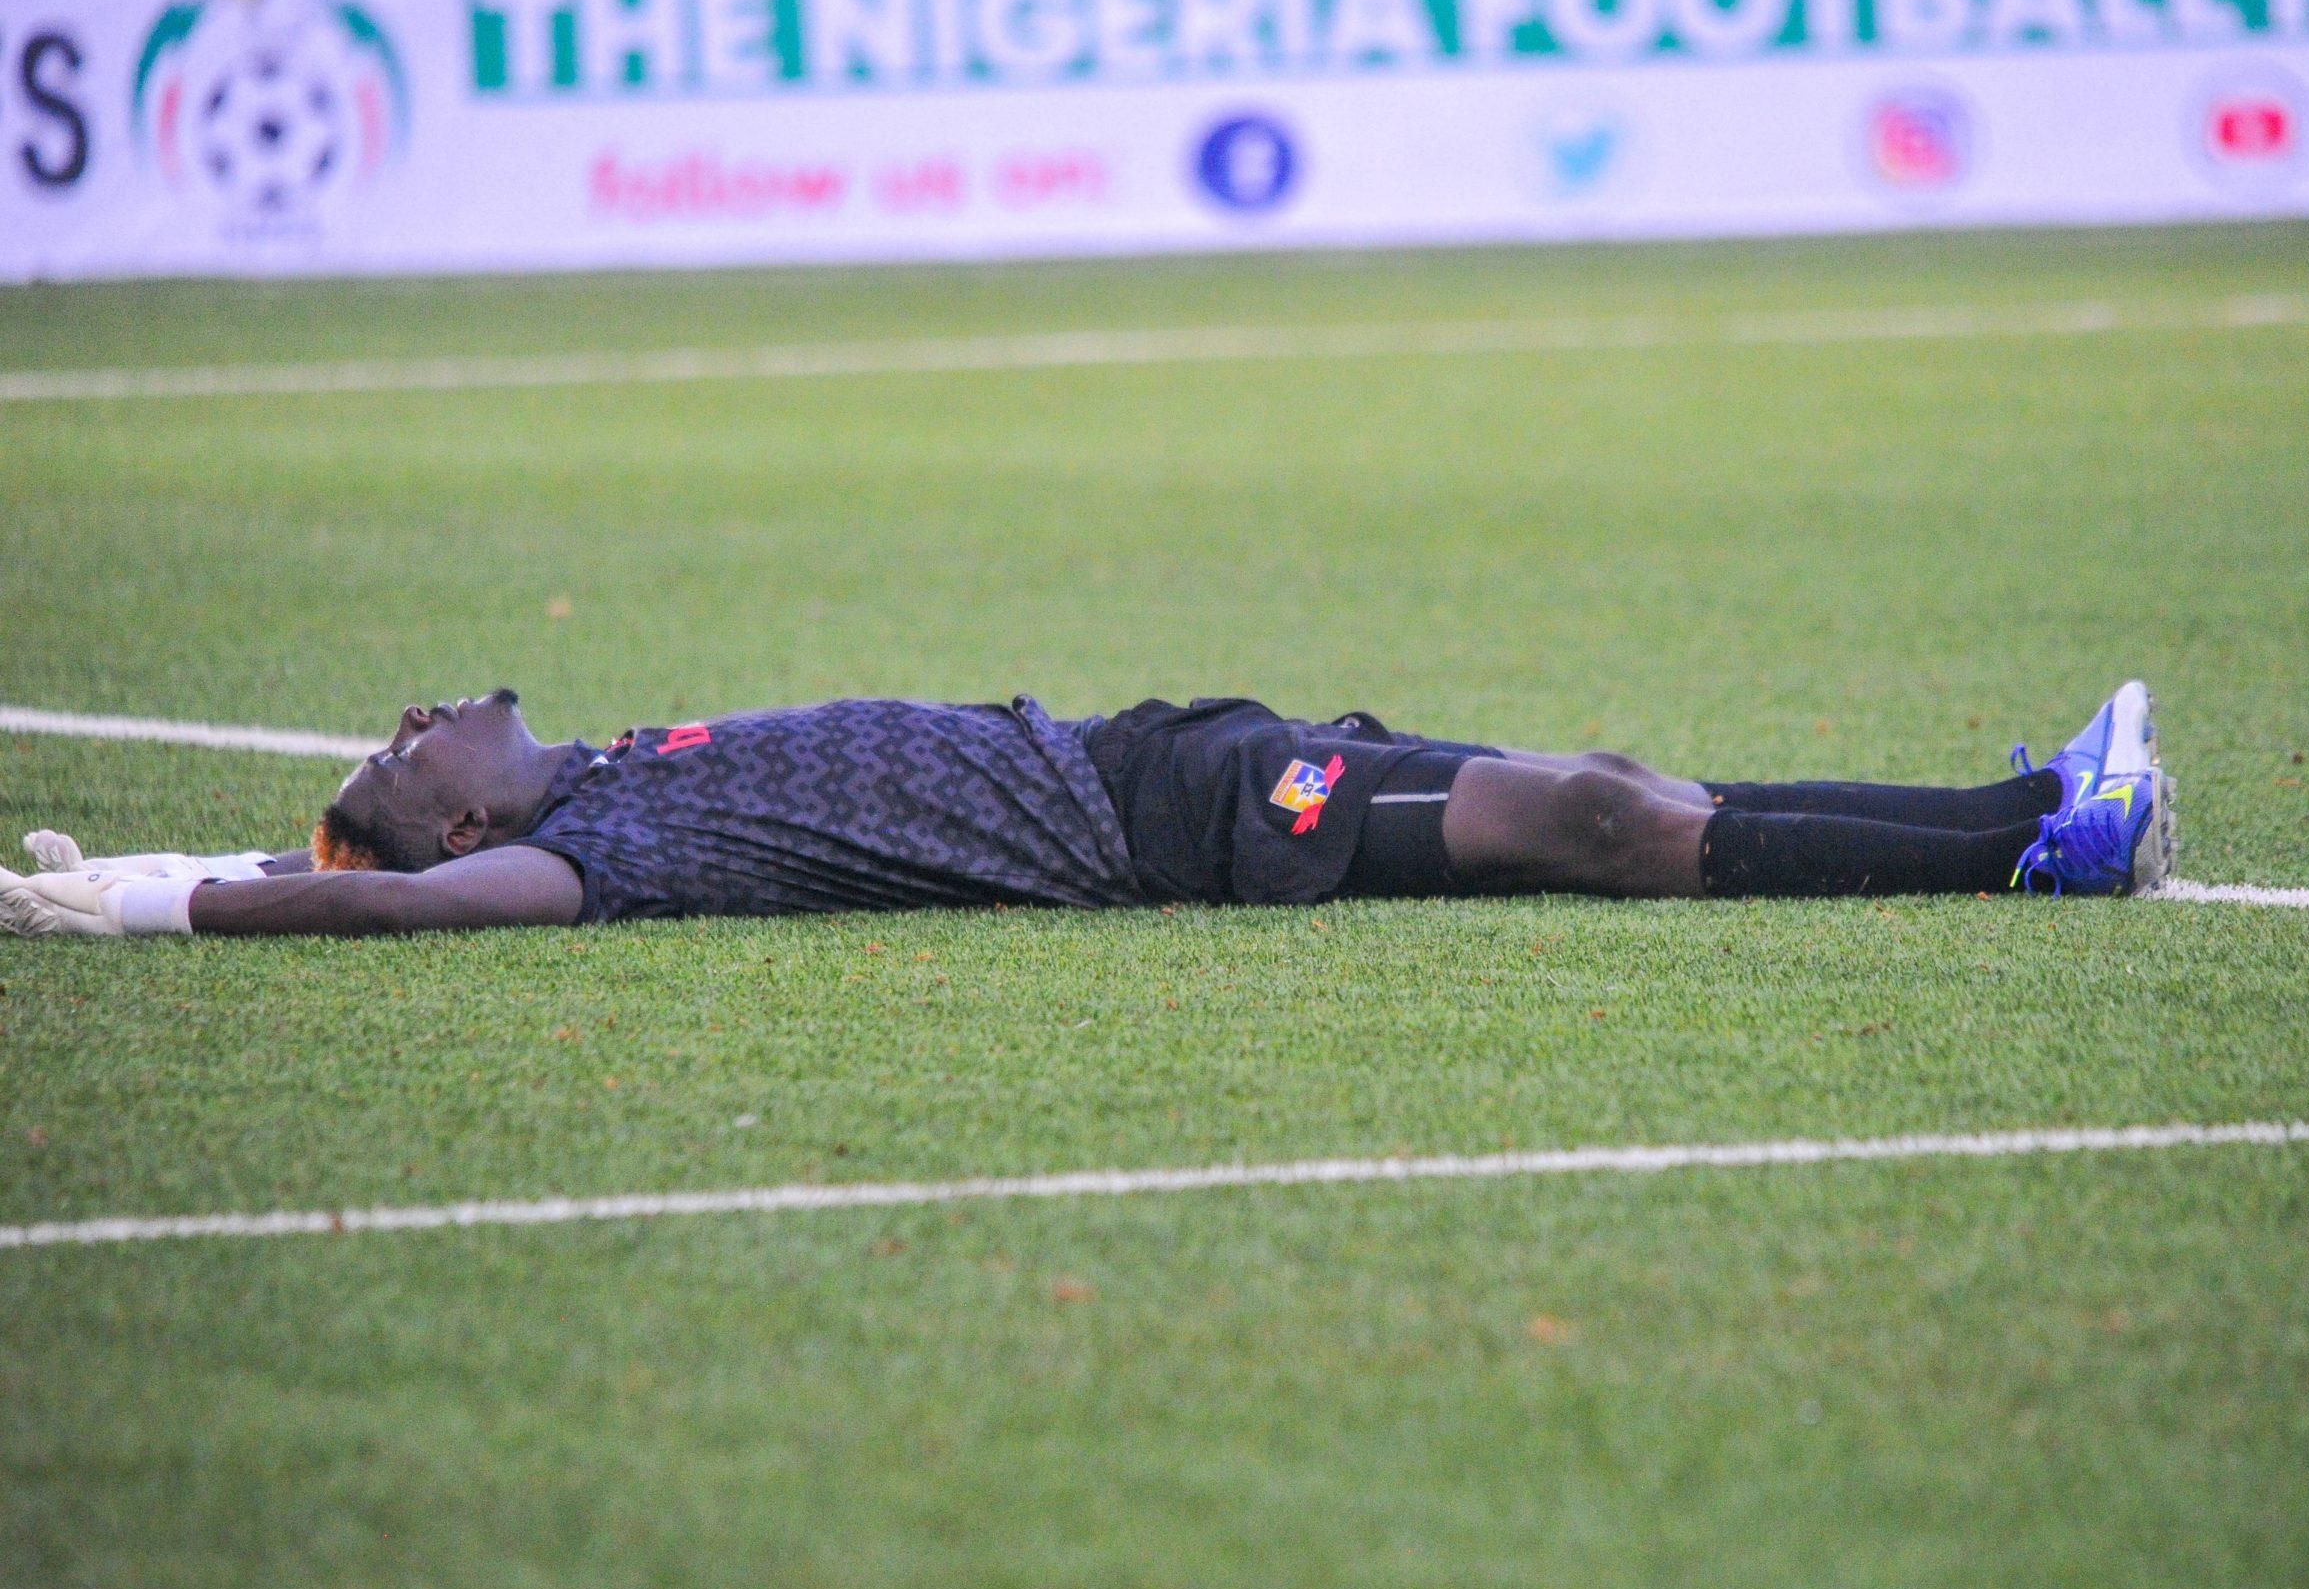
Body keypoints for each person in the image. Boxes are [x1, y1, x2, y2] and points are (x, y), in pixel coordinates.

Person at [0, 681, 2174, 940]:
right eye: (401, 757)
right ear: (442, 835)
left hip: (1175, 748)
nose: (422, 710)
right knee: (1597, 821)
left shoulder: (616, 761)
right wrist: (160, 904)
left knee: (1618, 785)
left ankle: (2014, 800)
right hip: (1186, 840)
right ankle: (2043, 852)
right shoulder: (599, 854)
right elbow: (388, 913)